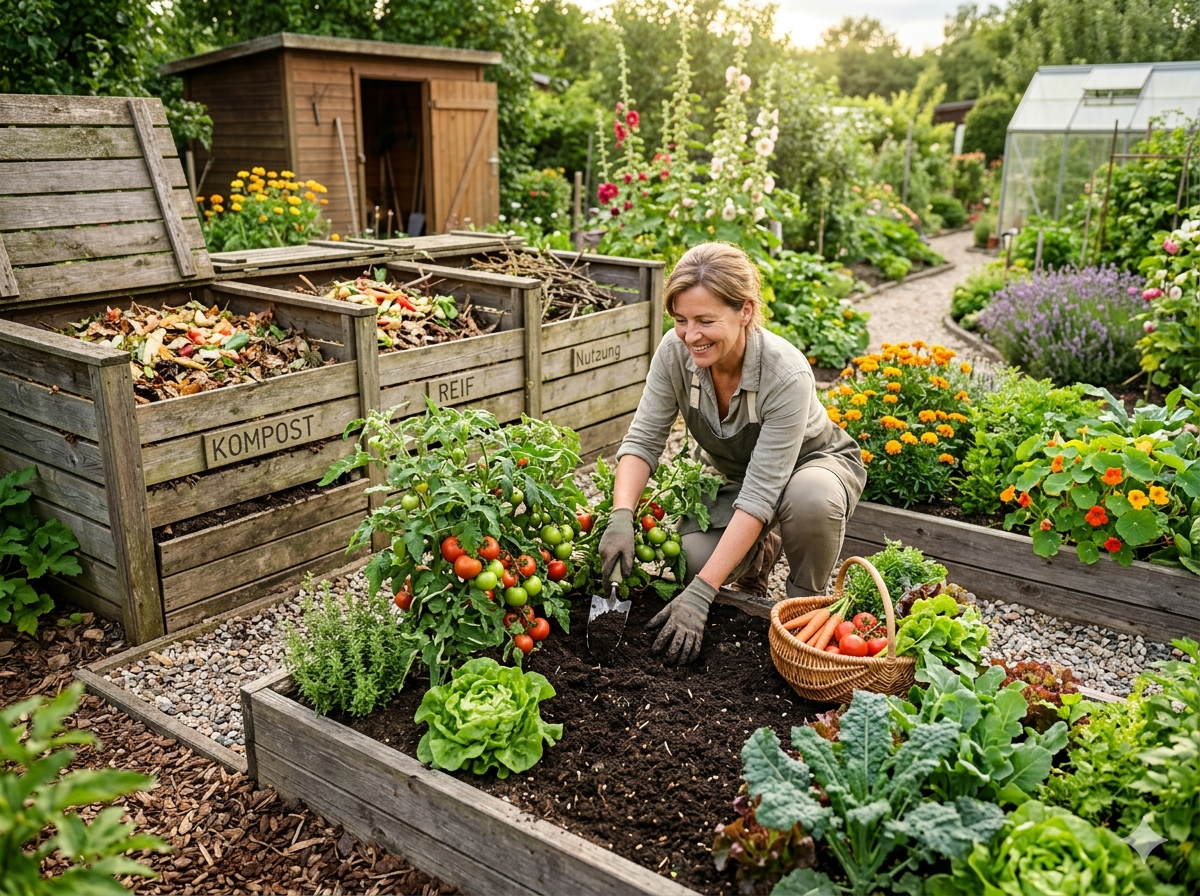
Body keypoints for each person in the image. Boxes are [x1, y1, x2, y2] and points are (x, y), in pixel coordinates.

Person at [598, 242, 866, 665]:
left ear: (744, 310)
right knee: (691, 562)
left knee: (811, 499)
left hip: (811, 466)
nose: (691, 335)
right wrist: (621, 515)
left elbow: (762, 493)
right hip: (733, 474)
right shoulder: (674, 352)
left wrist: (703, 596)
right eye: (682, 320)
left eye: (706, 321)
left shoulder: (785, 372)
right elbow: (644, 440)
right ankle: (760, 555)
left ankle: (805, 610)